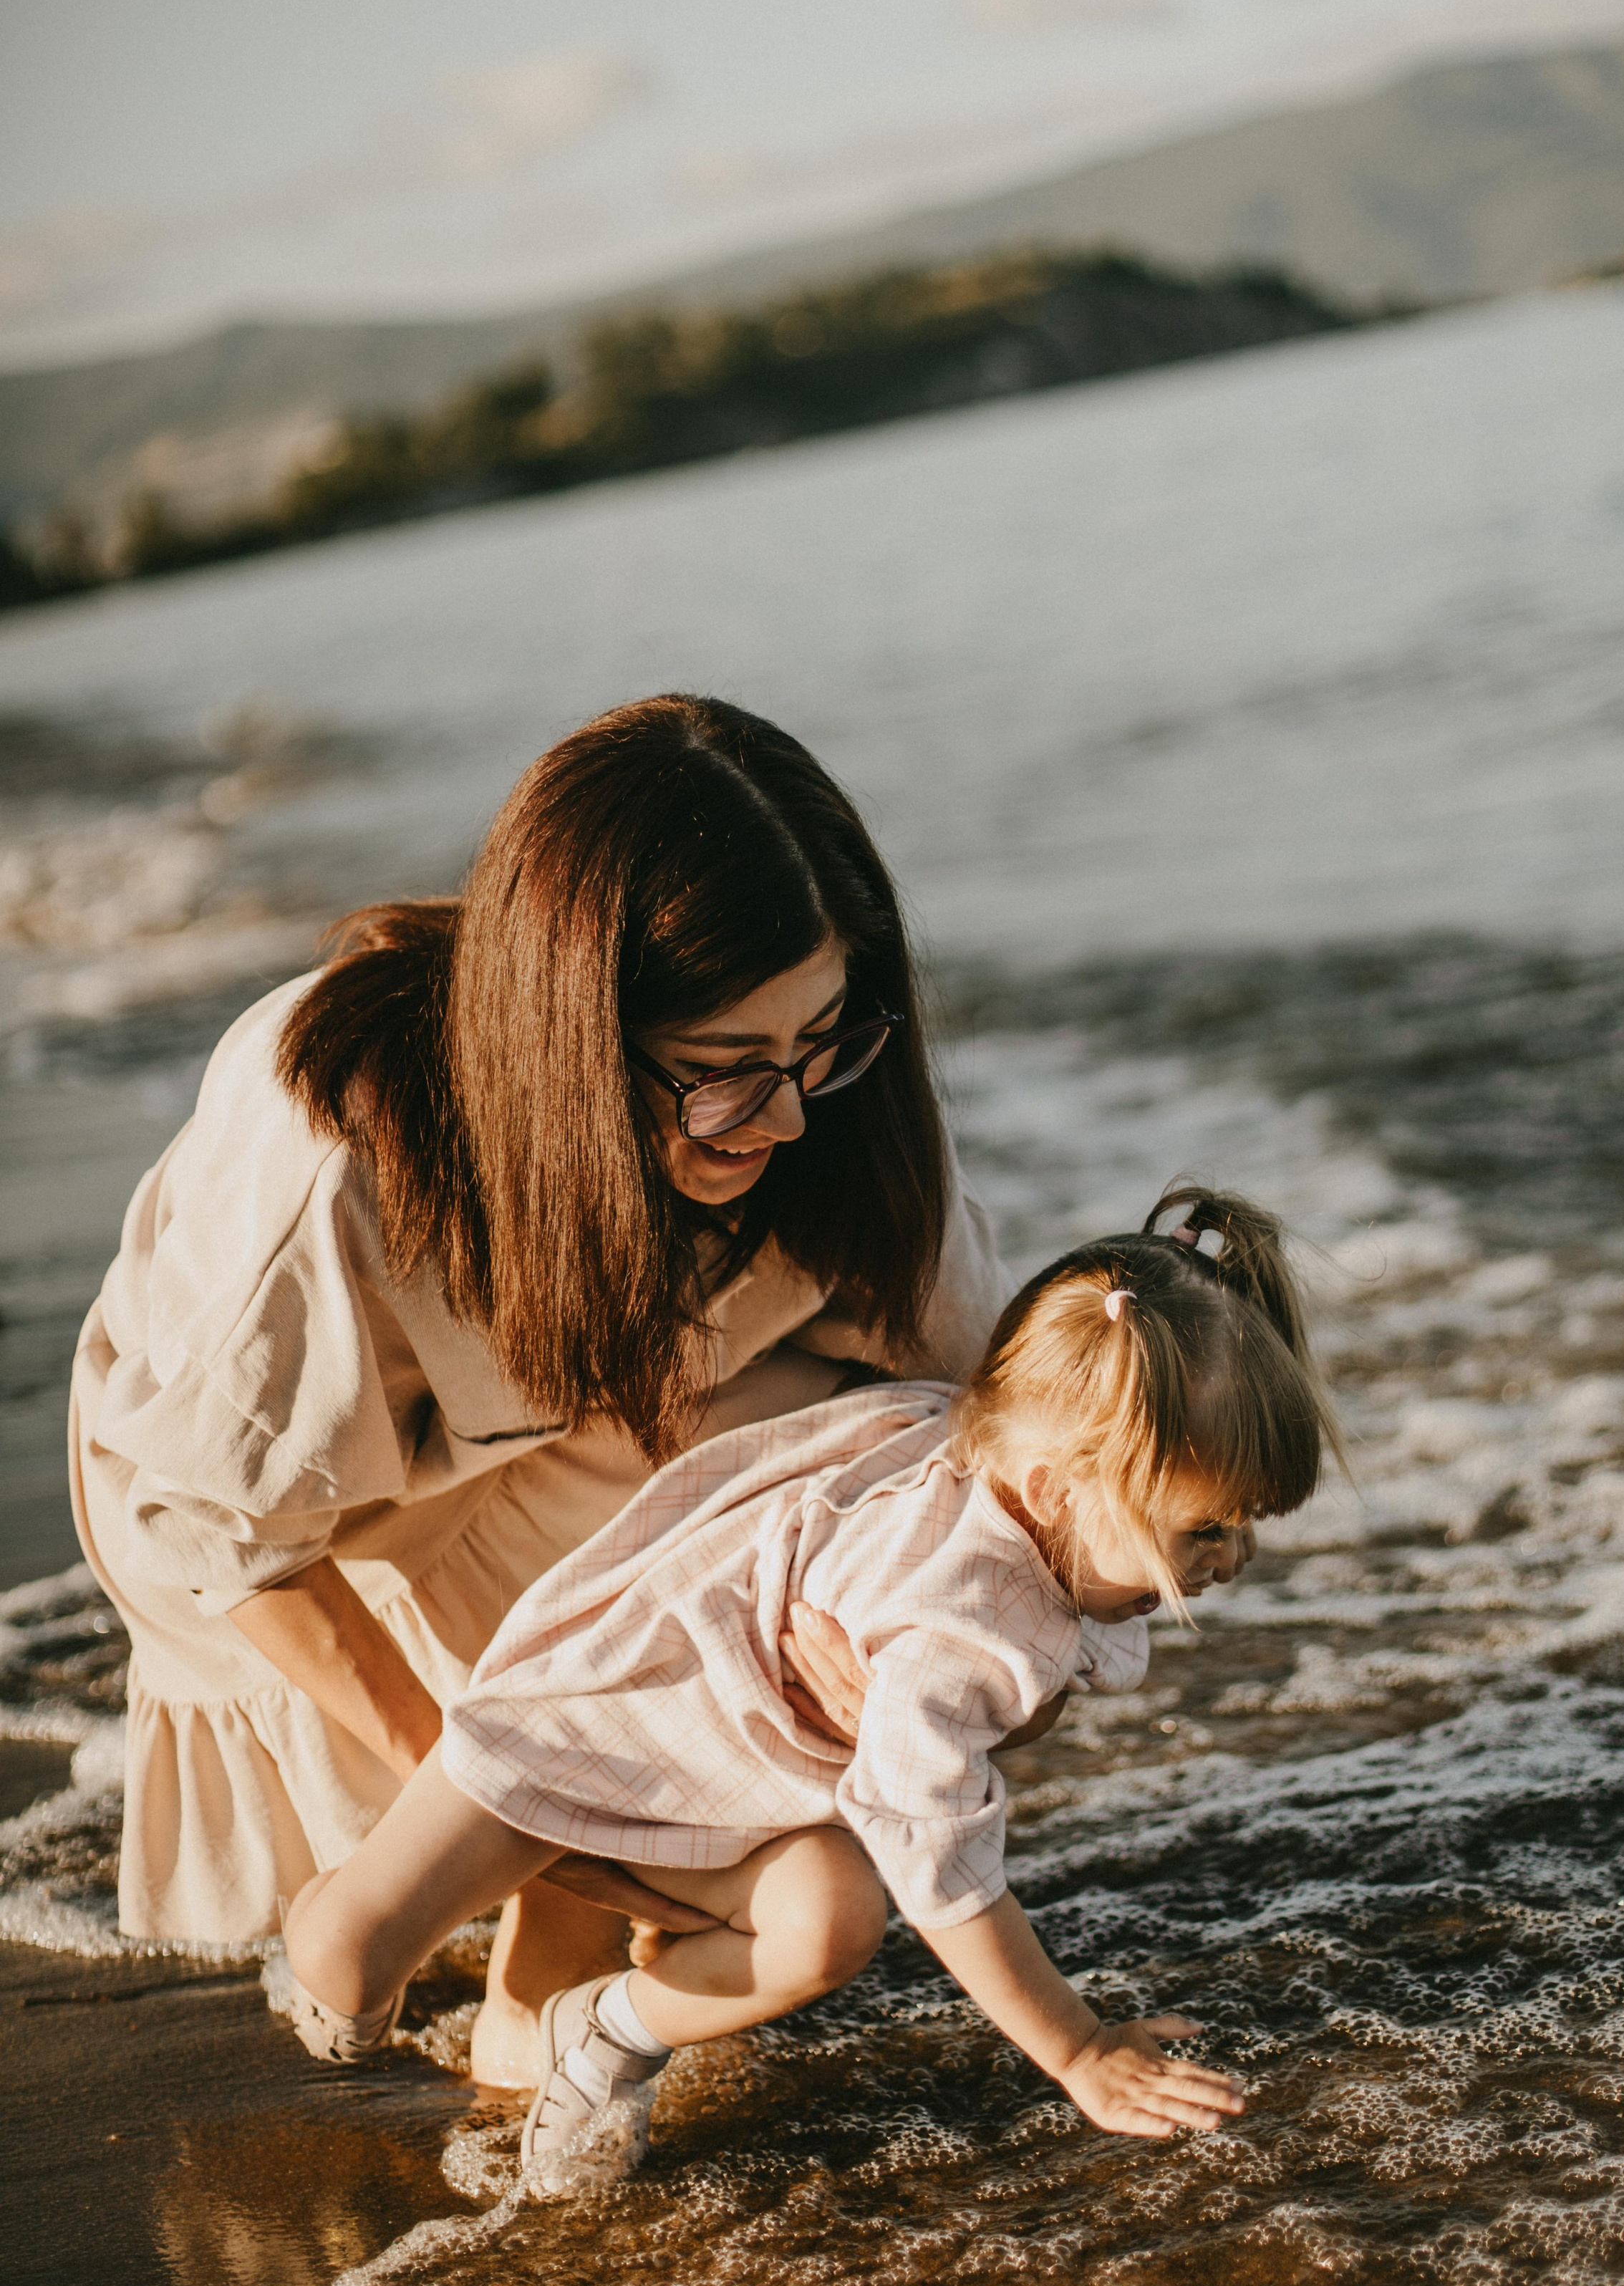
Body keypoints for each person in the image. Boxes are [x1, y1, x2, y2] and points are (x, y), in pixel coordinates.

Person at [69, 695, 1009, 2085]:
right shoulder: (336, 1154)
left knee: (885, 1449)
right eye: (722, 1072)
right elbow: (216, 1526)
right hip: (302, 1525)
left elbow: (991, 1411)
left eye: (823, 1040)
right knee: (559, 1789)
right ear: (570, 1036)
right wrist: (491, 1786)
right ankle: (387, 1911)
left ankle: (540, 1997)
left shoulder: (813, 1109)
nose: (792, 1114)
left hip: (582, 1427)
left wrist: (909, 1664)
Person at [280, 1185, 1339, 2178]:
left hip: (745, 1786)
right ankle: (344, 1902)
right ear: (1057, 1490)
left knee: (830, 1919)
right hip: (593, 1727)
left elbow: (1008, 1697)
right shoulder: (963, 1619)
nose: (1229, 1564)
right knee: (350, 1967)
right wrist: (1079, 2050)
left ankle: (609, 2031)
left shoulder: (987, 1435)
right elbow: (947, 1873)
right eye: (1205, 1531)